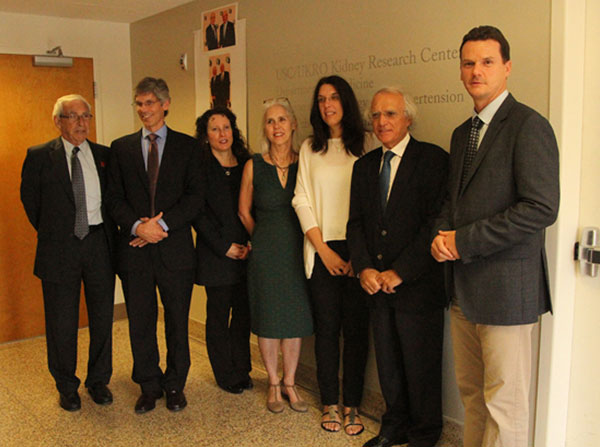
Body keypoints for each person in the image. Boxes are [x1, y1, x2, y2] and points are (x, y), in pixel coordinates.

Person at [430, 26, 559, 447]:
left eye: (487, 62)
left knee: (506, 406)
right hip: (463, 291)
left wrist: (462, 241)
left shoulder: (528, 126)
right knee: (473, 398)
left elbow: (540, 208)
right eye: (468, 63)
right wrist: (441, 236)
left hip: (507, 292)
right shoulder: (460, 133)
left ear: (506, 67)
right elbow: (453, 201)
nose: (476, 71)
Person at [347, 88, 448, 447]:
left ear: (408, 118)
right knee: (388, 365)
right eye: (375, 116)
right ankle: (394, 426)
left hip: (418, 285)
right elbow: (355, 224)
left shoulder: (433, 160)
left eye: (389, 114)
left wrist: (401, 271)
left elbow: (435, 223)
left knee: (421, 366)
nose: (381, 122)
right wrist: (363, 270)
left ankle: (423, 435)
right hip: (376, 286)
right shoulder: (363, 167)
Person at [106, 77, 203, 414]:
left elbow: (195, 198)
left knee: (177, 321)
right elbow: (113, 198)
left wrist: (160, 225)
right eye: (138, 104)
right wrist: (137, 226)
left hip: (175, 252)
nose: (143, 110)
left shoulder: (189, 147)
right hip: (135, 252)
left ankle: (175, 385)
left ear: (165, 104)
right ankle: (148, 385)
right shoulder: (120, 148)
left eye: (149, 103)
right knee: (140, 321)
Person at [20, 94, 116, 411]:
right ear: (58, 121)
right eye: (73, 116)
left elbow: (113, 201)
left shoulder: (104, 156)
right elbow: (31, 204)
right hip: (59, 247)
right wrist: (58, 231)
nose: (81, 123)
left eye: (85, 116)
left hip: (98, 244)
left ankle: (98, 381)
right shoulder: (38, 156)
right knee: (62, 321)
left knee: (102, 316)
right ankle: (67, 385)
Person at [292, 75, 370, 436]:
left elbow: (374, 202)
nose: (327, 105)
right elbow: (301, 198)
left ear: (346, 101)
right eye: (321, 99)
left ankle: (353, 404)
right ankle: (330, 403)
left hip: (359, 251)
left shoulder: (367, 143)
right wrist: (321, 249)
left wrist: (360, 254)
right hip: (322, 248)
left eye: (334, 97)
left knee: (355, 332)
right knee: (326, 332)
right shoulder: (310, 147)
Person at [238, 98, 313, 414]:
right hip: (266, 251)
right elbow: (243, 211)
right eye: (270, 121)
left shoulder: (306, 162)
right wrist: (262, 236)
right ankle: (272, 382)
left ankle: (290, 382)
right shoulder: (254, 164)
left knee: (293, 319)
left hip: (298, 249)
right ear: (265, 129)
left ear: (293, 124)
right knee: (269, 319)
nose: (277, 126)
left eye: (282, 119)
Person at [193, 108, 252, 394]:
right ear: (206, 135)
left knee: (244, 314)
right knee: (218, 316)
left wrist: (252, 242)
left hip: (247, 253)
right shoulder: (199, 167)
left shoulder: (247, 164)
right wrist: (224, 247)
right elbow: (198, 215)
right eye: (214, 129)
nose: (222, 134)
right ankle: (225, 373)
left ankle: (242, 368)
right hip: (217, 255)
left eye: (226, 127)